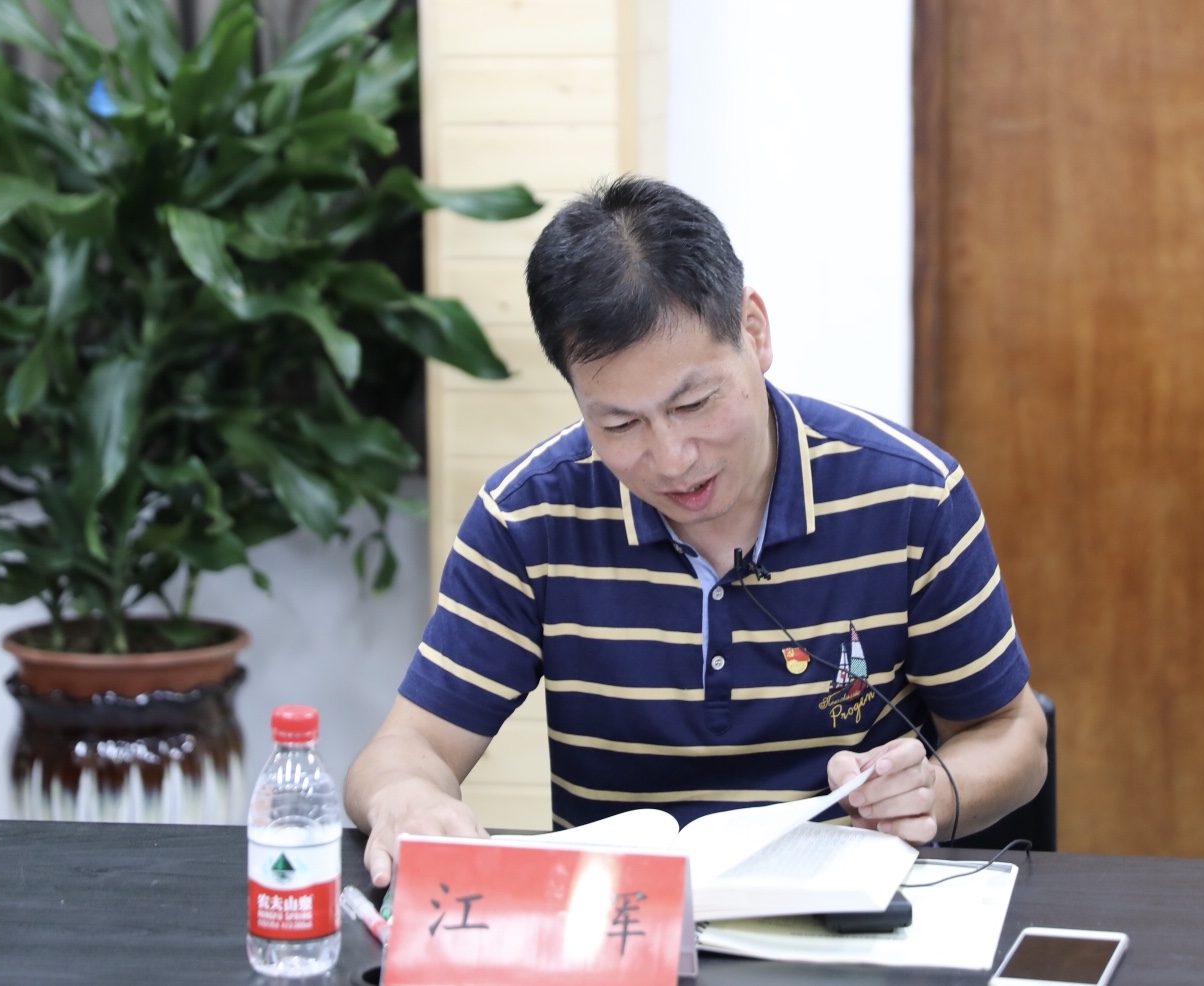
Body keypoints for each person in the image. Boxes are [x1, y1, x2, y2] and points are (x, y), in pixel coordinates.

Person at [345, 176, 1048, 887]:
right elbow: (407, 749)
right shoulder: (529, 519)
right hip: (622, 920)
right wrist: (406, 796)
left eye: (695, 403)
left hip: (847, 912)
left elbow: (1013, 735)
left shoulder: (911, 496)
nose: (673, 459)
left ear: (754, 330)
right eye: (621, 424)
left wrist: (932, 792)